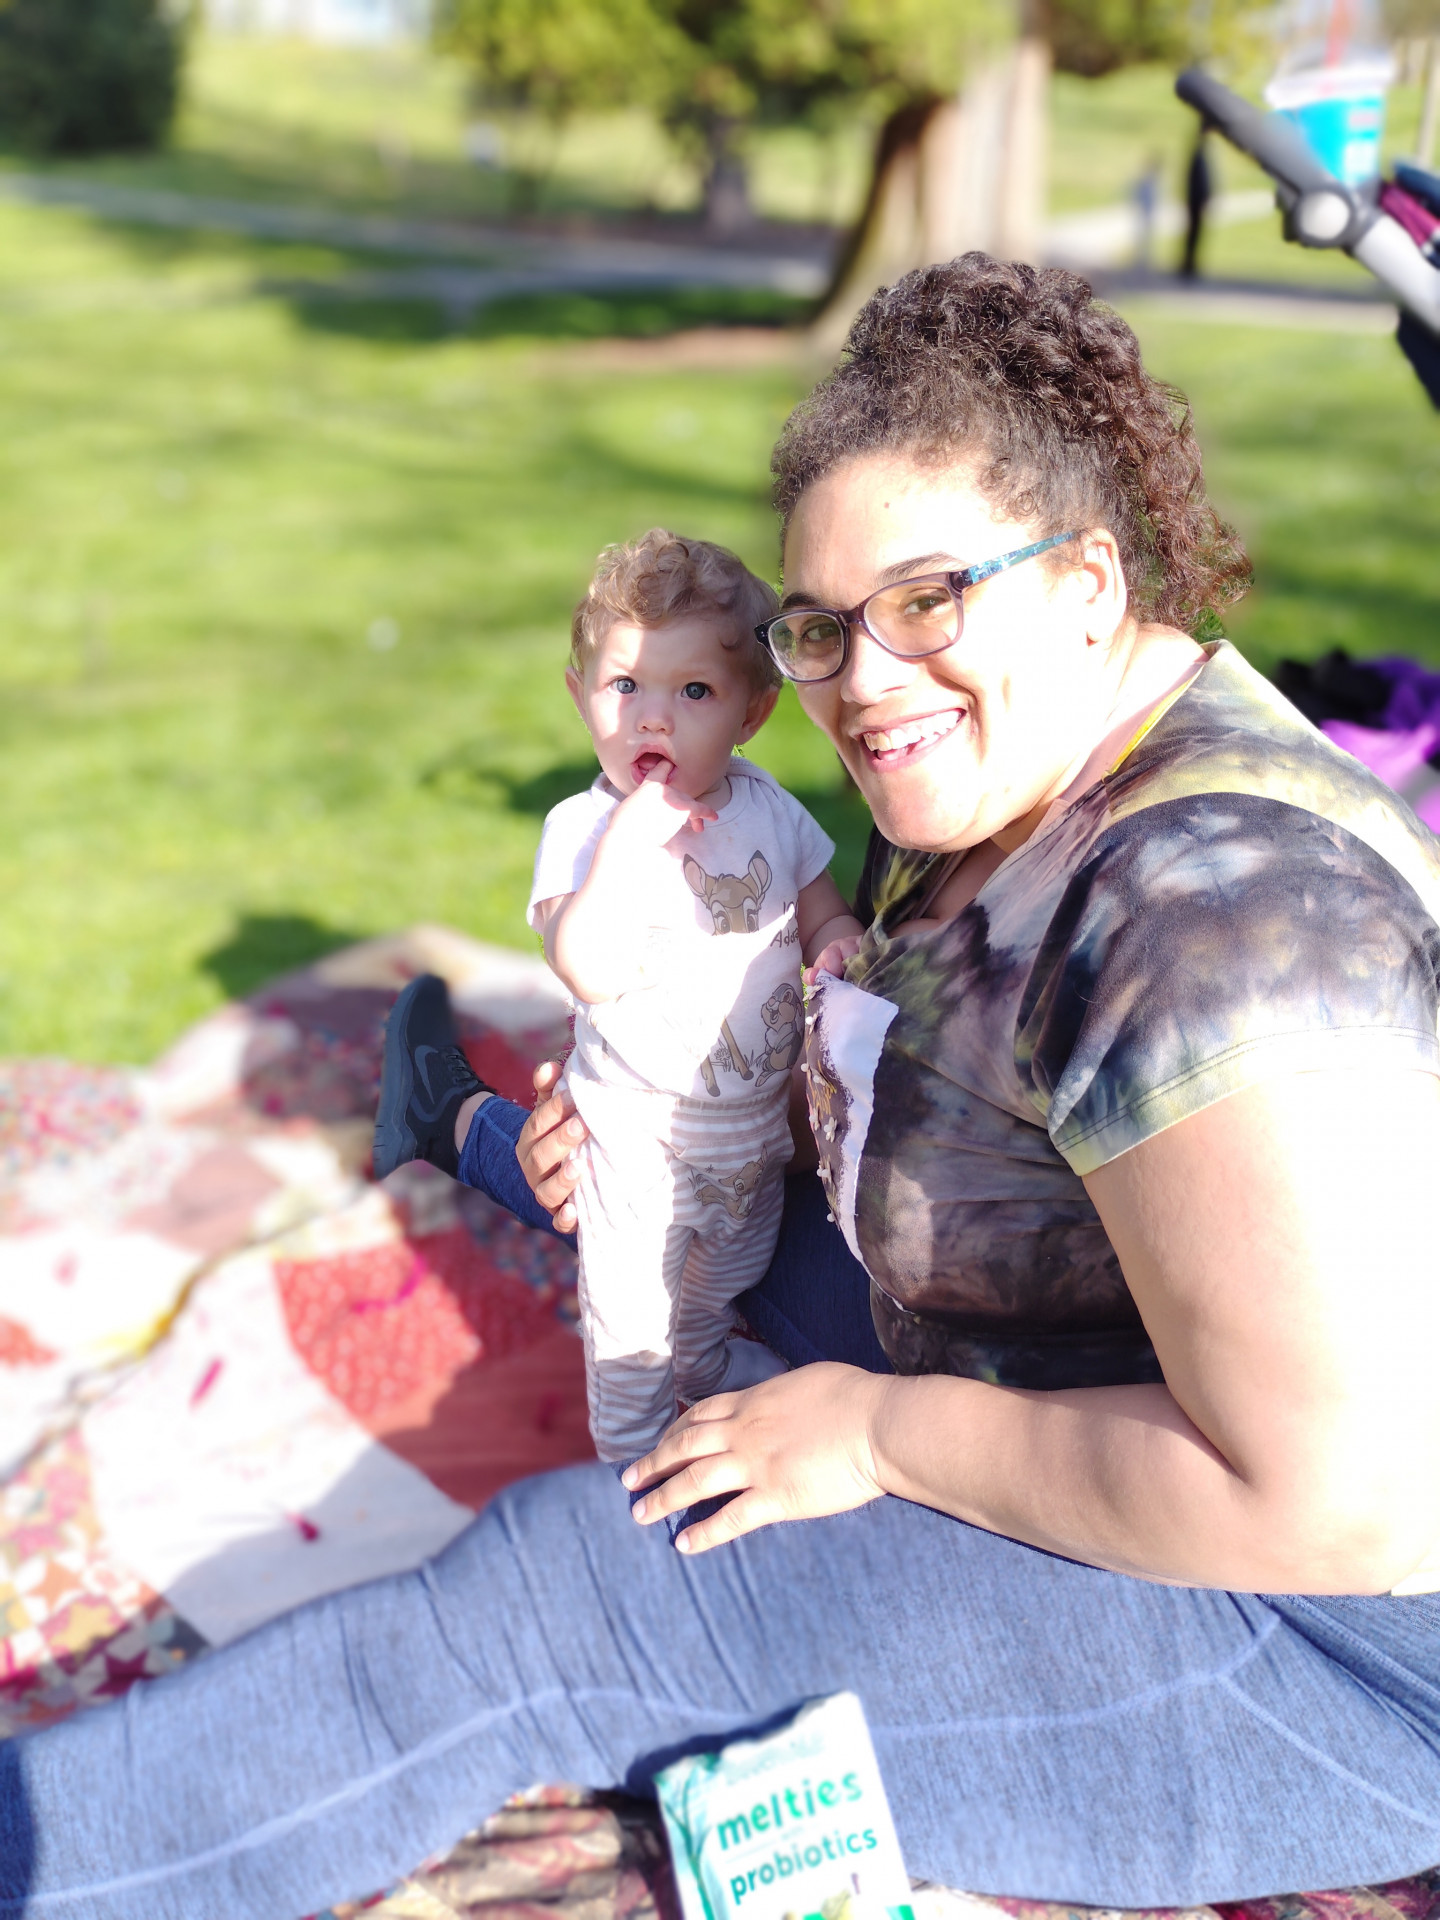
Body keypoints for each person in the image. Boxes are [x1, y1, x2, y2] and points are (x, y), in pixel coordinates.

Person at [6, 253, 1440, 1920]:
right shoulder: (1023, 770)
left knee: (553, 1602)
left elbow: (1327, 1504)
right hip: (1075, 1367)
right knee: (675, 1211)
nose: (863, 682)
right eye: (819, 627)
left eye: (929, 599)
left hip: (1325, 1652)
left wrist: (884, 1436)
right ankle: (468, 1129)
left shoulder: (1213, 922)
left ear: (1087, 579)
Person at [376, 529, 859, 1463]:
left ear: (754, 712)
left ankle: (702, 1380)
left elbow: (823, 909)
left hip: (754, 1136)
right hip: (631, 1140)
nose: (653, 720)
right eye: (624, 685)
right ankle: (631, 1459)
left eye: (695, 692)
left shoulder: (775, 811)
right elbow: (586, 965)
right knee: (631, 1322)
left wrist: (839, 944)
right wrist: (630, 847)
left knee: (718, 1291)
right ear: (579, 695)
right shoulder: (585, 829)